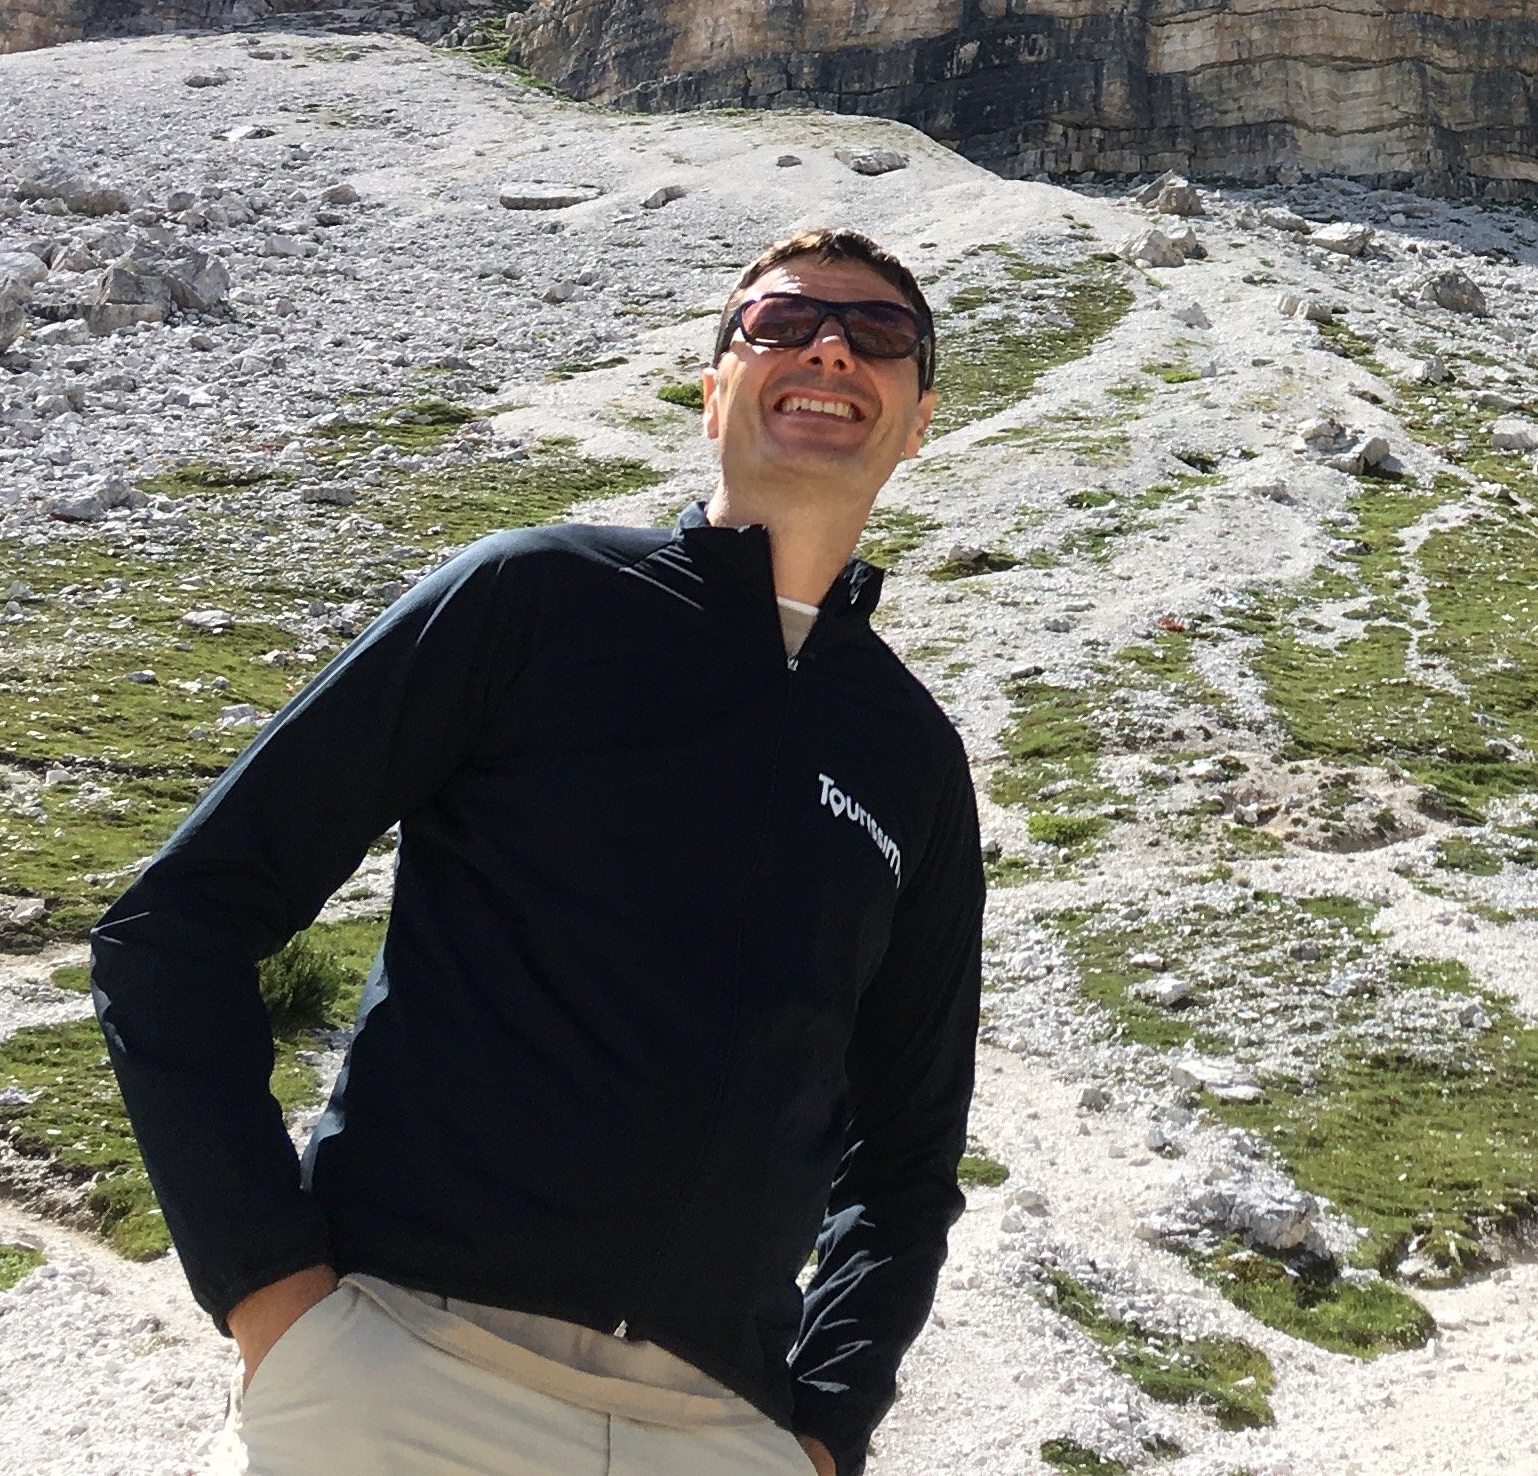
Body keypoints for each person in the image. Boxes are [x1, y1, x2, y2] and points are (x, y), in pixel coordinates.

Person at [92, 227, 983, 1476]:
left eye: (878, 333)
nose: (830, 348)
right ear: (713, 388)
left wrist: (825, 1433)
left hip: (717, 1436)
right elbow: (178, 923)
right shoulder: (535, 597)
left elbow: (908, 1156)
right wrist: (270, 1295)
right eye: (782, 322)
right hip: (407, 1374)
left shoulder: (912, 755)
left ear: (919, 419)